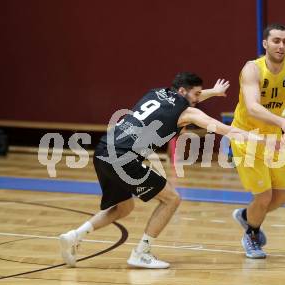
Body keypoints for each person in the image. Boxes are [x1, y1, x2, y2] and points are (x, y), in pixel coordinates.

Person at [59, 72, 257, 269]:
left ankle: (75, 236)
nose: (198, 99)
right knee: (172, 199)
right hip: (123, 157)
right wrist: (253, 137)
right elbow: (223, 129)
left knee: (124, 208)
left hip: (103, 150)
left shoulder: (156, 93)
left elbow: (185, 98)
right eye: (196, 95)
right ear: (182, 91)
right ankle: (141, 253)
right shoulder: (187, 113)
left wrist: (213, 92)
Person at [230, 23, 285, 259]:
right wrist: (282, 122)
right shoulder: (252, 69)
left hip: (274, 137)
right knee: (264, 196)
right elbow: (253, 107)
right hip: (246, 137)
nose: (281, 45)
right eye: (276, 41)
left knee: (284, 195)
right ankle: (252, 234)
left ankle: (247, 216)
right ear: (265, 44)